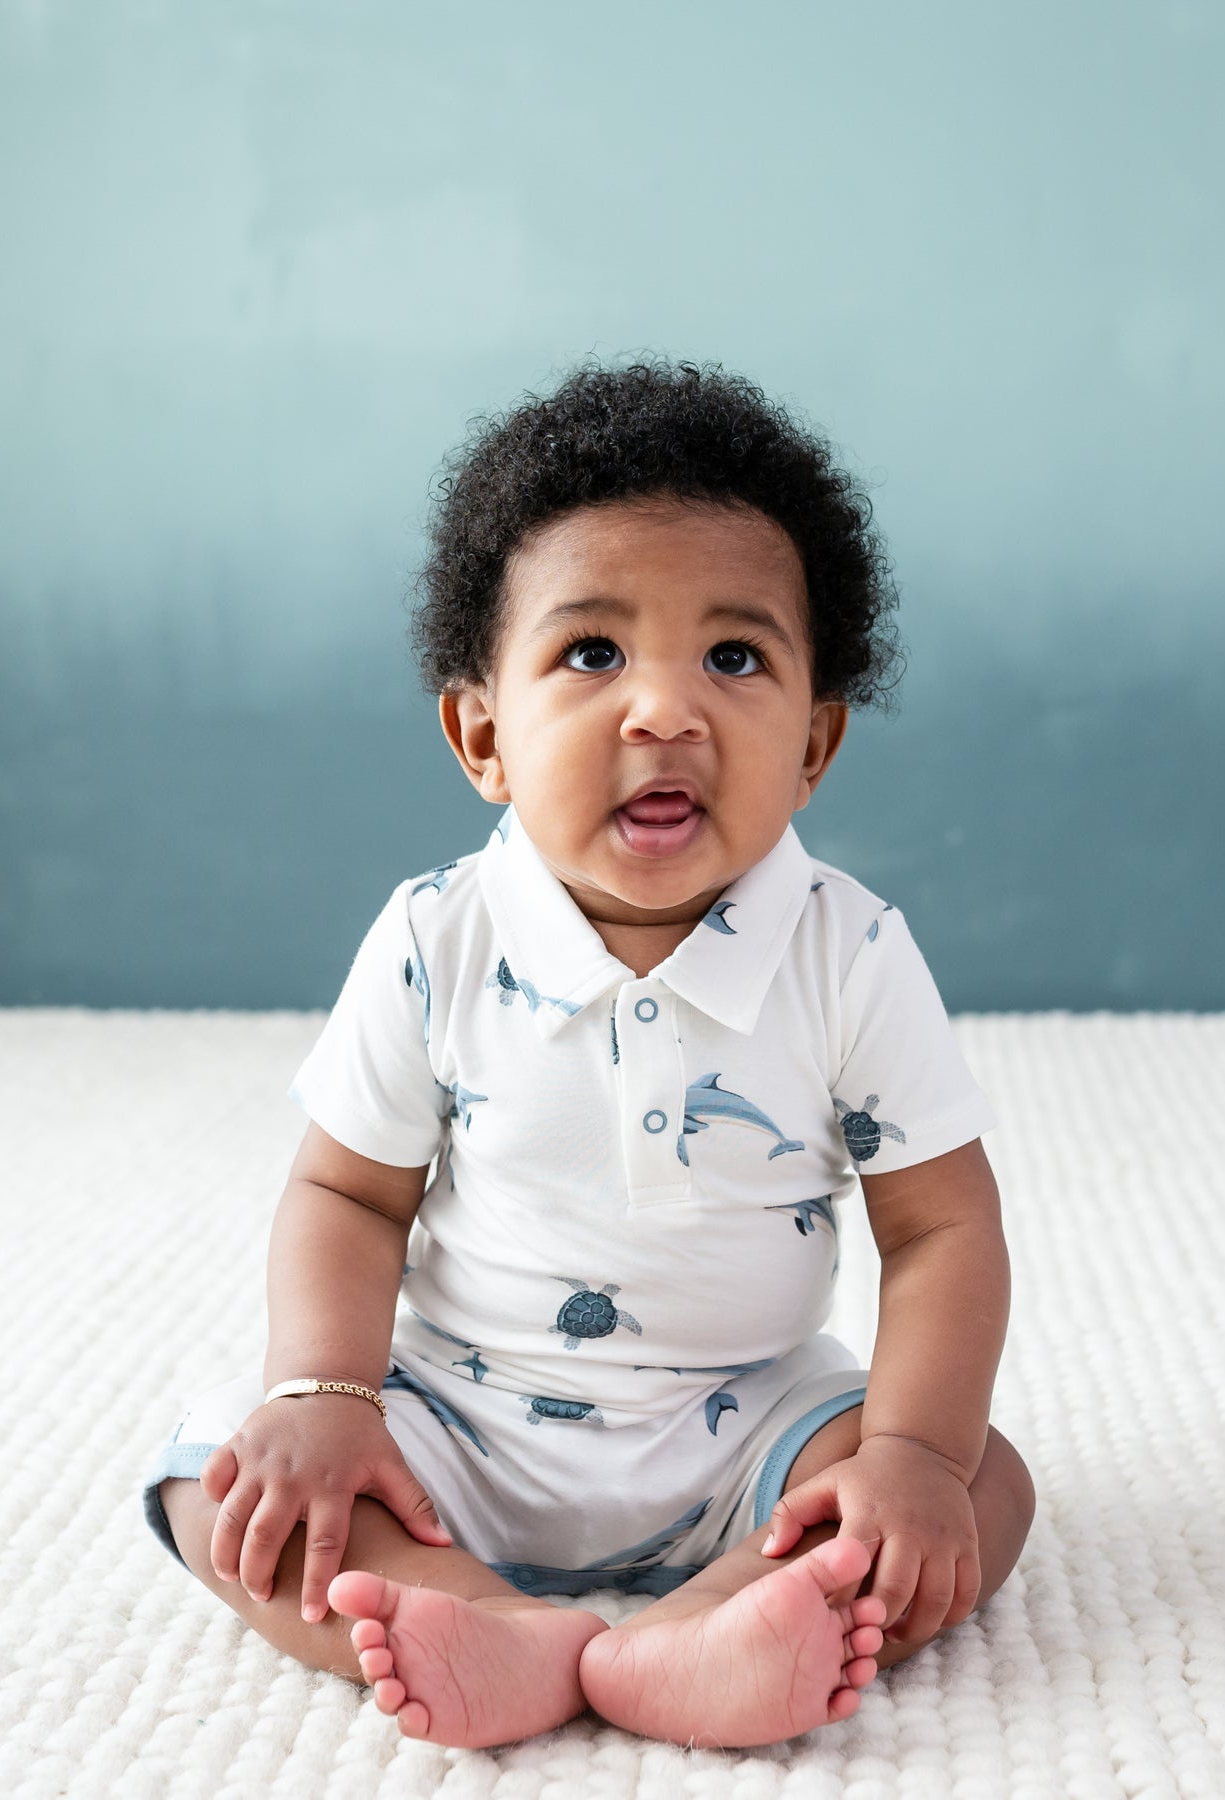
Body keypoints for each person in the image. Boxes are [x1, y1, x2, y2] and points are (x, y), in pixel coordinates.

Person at [144, 359, 1035, 1750]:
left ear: (815, 742)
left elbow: (940, 1230)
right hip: (458, 1425)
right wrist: (323, 1391)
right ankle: (476, 1615)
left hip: (751, 1433)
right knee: (223, 1483)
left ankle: (720, 1620)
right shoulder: (436, 936)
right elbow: (346, 1196)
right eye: (594, 653)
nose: (664, 711)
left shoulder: (847, 950)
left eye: (734, 657)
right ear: (482, 733)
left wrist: (913, 1458)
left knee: (981, 1485)